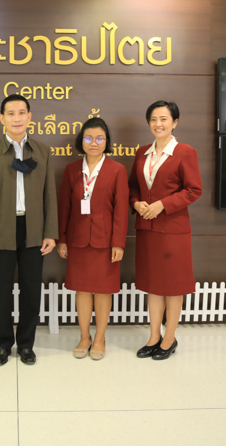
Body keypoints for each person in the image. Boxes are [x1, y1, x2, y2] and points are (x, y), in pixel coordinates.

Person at [0, 94, 58, 366]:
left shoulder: (43, 151)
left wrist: (50, 232)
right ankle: (2, 344)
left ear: (30, 117)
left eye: (22, 112)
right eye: (10, 113)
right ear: (1, 118)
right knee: (1, 291)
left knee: (31, 291)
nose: (17, 118)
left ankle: (25, 345)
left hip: (34, 229)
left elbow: (50, 195)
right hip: (1, 230)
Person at [128, 100, 202, 361]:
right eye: (153, 119)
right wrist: (136, 202)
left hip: (172, 230)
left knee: (173, 286)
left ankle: (169, 338)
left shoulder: (185, 152)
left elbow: (194, 190)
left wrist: (163, 204)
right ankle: (153, 337)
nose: (158, 124)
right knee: (153, 285)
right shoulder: (142, 153)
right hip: (147, 228)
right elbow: (133, 186)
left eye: (163, 119)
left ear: (175, 122)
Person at [57, 118, 129, 361]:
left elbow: (121, 210)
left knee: (103, 291)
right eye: (88, 138)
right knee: (82, 290)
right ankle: (84, 337)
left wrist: (118, 243)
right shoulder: (71, 170)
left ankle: (100, 337)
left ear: (107, 141)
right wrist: (62, 239)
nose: (94, 143)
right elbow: (64, 207)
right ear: (81, 141)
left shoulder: (117, 170)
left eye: (100, 138)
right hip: (77, 240)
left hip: (105, 241)